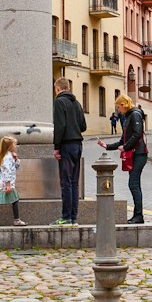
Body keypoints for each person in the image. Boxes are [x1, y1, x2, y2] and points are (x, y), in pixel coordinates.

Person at [103, 93, 148, 222]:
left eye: (118, 107)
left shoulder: (135, 114)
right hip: (134, 154)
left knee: (133, 184)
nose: (118, 110)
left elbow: (137, 134)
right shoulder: (129, 117)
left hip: (139, 154)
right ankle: (137, 215)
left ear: (124, 105)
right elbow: (123, 140)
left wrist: (126, 147)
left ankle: (139, 215)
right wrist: (107, 146)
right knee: (134, 184)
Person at [52, 75, 88, 225]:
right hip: (78, 145)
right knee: (74, 182)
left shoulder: (59, 102)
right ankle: (73, 216)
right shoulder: (77, 103)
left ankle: (66, 216)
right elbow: (83, 126)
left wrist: (56, 147)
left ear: (58, 88)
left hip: (66, 145)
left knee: (65, 182)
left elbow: (60, 126)